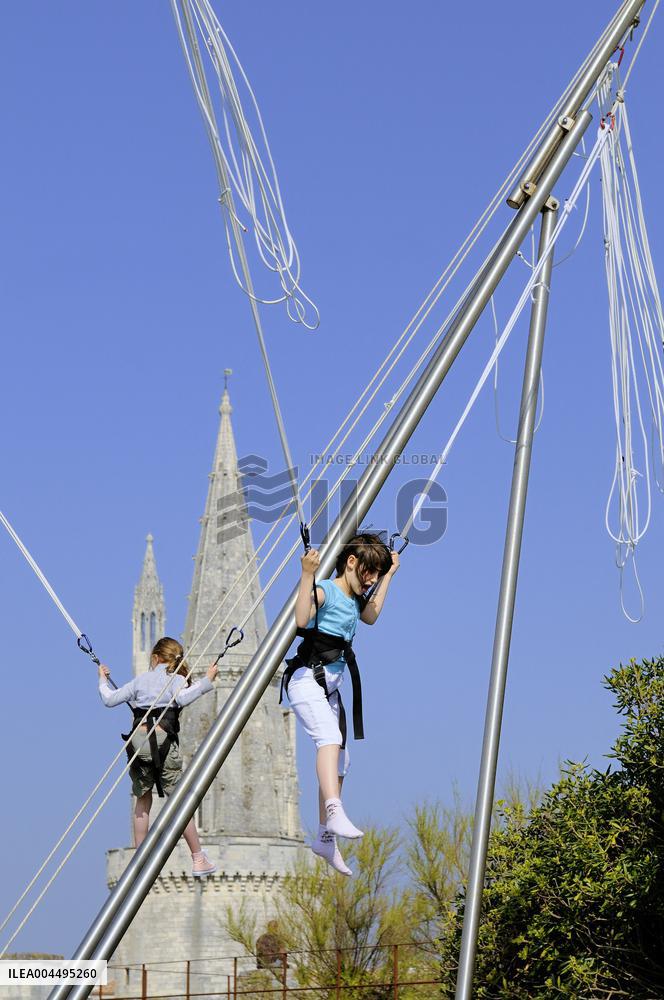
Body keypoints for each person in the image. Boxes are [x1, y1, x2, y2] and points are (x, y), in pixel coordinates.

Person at [283, 533, 399, 876]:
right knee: (329, 740)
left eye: (376, 575)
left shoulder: (356, 600)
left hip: (329, 688)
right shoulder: (326, 591)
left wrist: (390, 574)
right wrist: (306, 575)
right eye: (370, 572)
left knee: (341, 761)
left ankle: (324, 839)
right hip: (306, 681)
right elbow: (302, 619)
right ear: (351, 562)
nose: (372, 580)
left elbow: (372, 616)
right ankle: (334, 809)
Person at [98, 636, 218, 877]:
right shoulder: (176, 680)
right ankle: (198, 857)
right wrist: (207, 680)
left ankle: (139, 858)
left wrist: (102, 680)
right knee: (179, 804)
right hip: (163, 741)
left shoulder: (141, 680)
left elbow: (109, 699)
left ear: (155, 657)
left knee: (142, 800)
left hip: (137, 742)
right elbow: (184, 698)